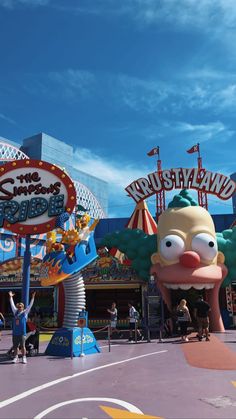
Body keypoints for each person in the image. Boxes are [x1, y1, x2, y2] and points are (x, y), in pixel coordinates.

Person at [9, 291, 36, 364]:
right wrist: (11, 297)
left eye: (20, 307)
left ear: (23, 307)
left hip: (22, 333)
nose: (19, 308)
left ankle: (24, 357)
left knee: (22, 346)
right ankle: (15, 357)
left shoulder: (25, 313)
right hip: (15, 333)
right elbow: (12, 304)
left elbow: (30, 305)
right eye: (18, 306)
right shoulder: (15, 312)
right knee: (15, 346)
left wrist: (33, 298)